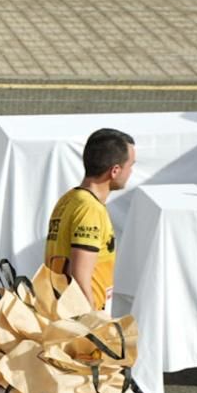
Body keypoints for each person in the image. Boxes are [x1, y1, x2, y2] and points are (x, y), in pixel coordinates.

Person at [44, 128, 135, 312]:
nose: (131, 172)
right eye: (130, 165)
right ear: (115, 171)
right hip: (78, 319)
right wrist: (92, 322)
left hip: (60, 311)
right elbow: (80, 276)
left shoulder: (69, 199)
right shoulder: (90, 210)